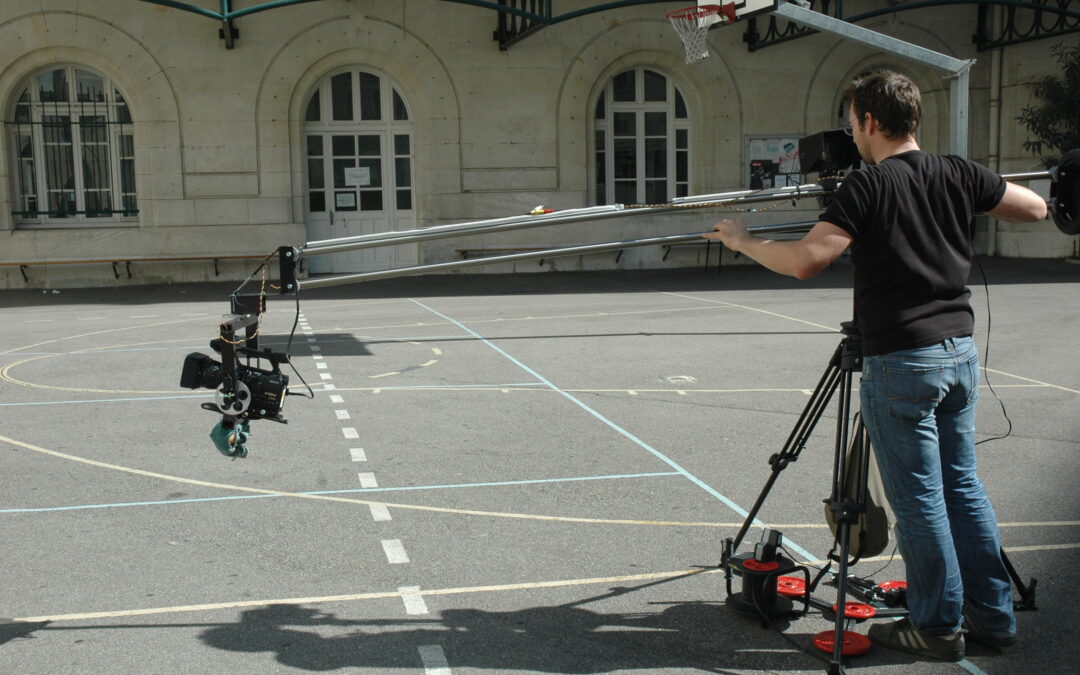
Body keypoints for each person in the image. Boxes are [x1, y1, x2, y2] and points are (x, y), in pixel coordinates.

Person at [704, 70, 1047, 662]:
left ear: (867, 121)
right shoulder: (958, 172)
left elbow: (810, 259)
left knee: (919, 500)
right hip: (959, 354)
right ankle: (992, 616)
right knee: (961, 487)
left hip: (903, 361)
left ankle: (936, 626)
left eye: (853, 122)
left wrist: (745, 242)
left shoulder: (868, 187)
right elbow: (1036, 208)